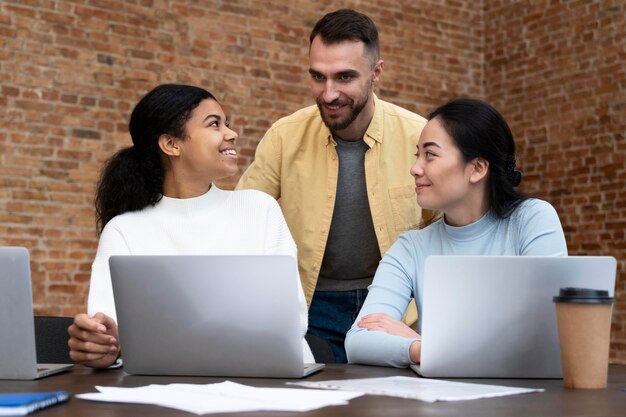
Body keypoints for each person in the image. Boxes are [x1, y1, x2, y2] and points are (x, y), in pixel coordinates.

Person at [236, 9, 439, 363]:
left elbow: (444, 226)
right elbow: (242, 219)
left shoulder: (418, 135)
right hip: (310, 308)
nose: (329, 94)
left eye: (344, 77)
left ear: (376, 72)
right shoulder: (284, 137)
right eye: (318, 77)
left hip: (397, 308)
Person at [67, 84, 314, 368]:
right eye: (214, 124)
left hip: (273, 376)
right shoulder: (123, 230)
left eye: (227, 124)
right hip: (170, 387)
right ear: (171, 144)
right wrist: (102, 344)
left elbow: (291, 319)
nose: (231, 133)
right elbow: (110, 329)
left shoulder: (259, 209)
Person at [345, 98, 568, 367]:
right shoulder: (411, 247)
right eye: (417, 155)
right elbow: (358, 342)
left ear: (477, 168)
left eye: (430, 154)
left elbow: (544, 336)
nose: (415, 169)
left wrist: (430, 346)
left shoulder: (532, 220)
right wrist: (422, 349)